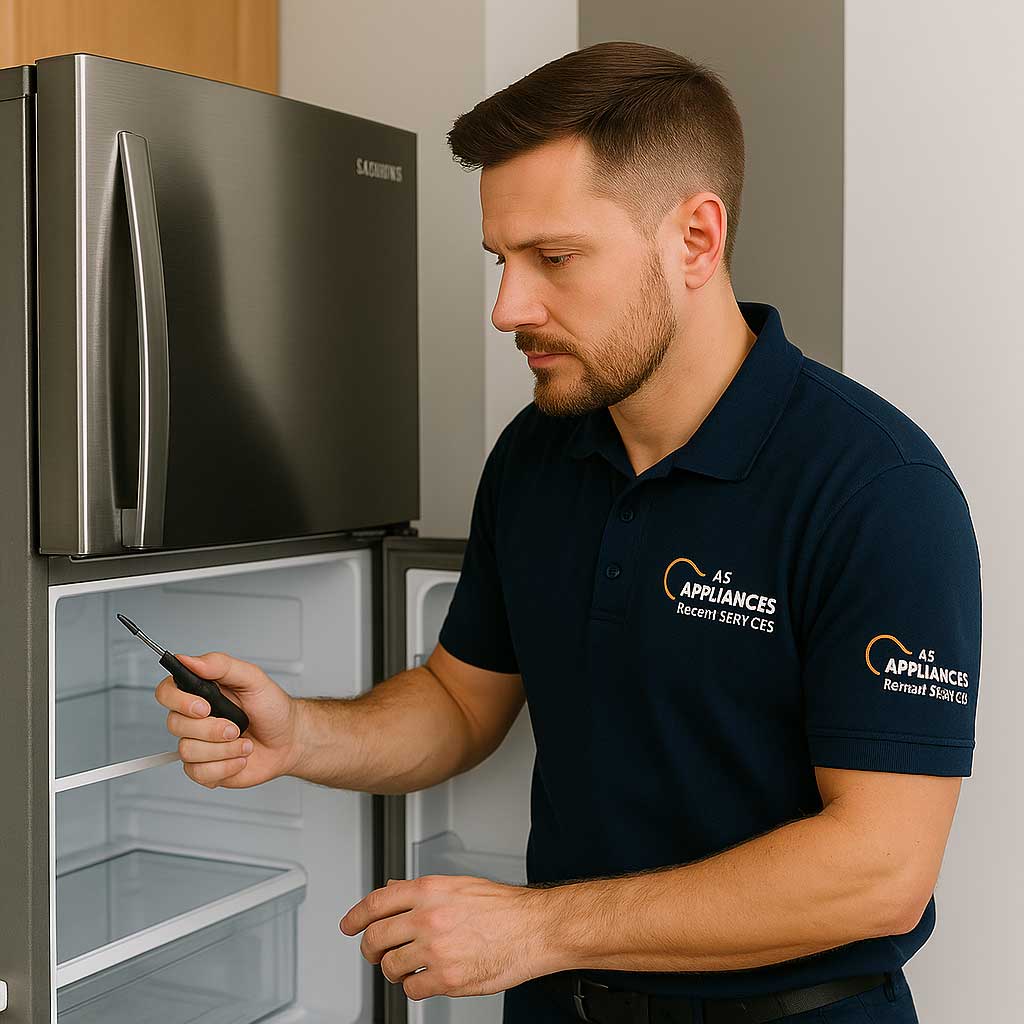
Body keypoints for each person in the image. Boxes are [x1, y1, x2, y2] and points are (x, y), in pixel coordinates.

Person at [156, 41, 981, 1024]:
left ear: (695, 239)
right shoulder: (538, 457)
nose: (509, 307)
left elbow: (878, 869)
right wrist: (300, 733)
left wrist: (539, 929)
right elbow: (461, 705)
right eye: (500, 260)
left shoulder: (875, 487)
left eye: (554, 258)